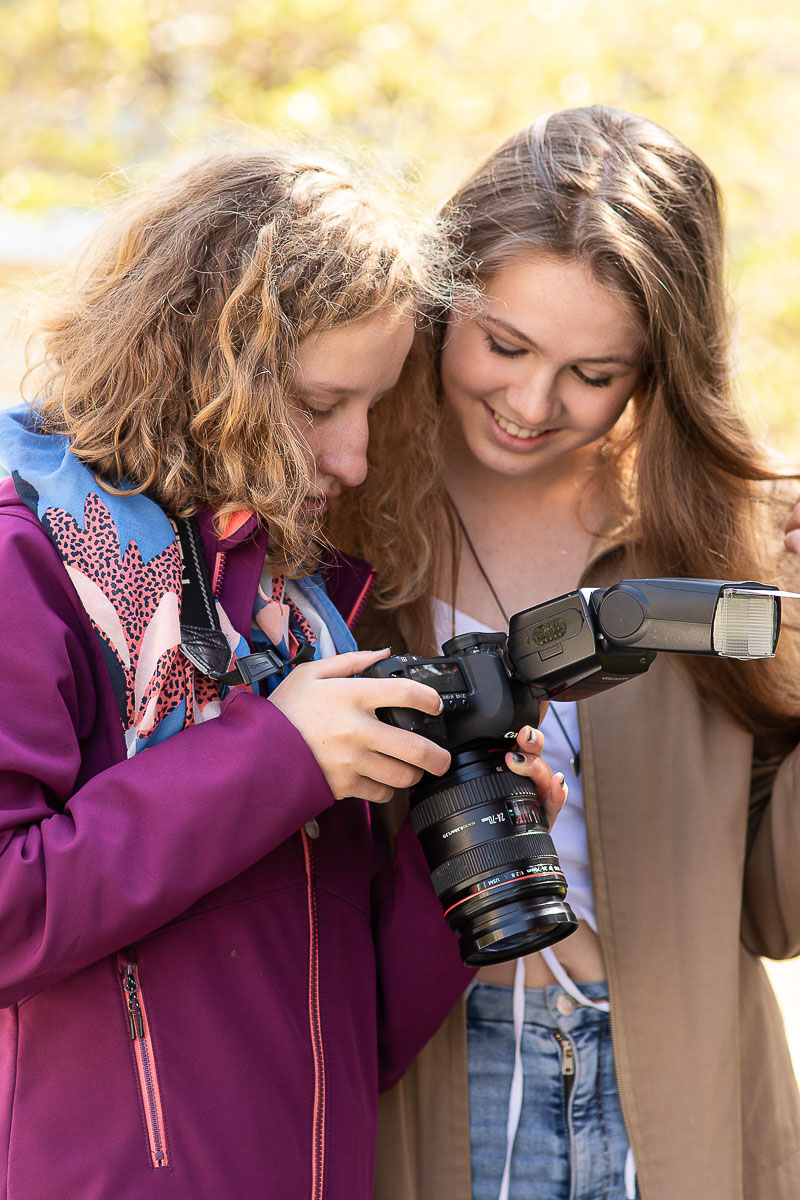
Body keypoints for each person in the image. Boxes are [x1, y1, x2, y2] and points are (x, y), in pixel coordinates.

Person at [0, 145, 567, 1199]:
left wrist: (449, 867)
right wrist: (274, 758)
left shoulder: (299, 616)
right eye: (317, 406)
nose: (351, 458)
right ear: (193, 358)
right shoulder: (24, 560)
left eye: (371, 408)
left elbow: (354, 1046)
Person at [329, 106, 800, 1199]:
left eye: (594, 373)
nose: (531, 404)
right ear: (440, 301)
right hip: (425, 1088)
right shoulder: (330, 513)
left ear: (655, 368)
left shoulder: (722, 542)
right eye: (502, 345)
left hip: (676, 1106)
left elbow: (778, 911)